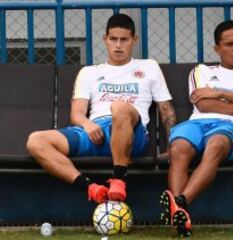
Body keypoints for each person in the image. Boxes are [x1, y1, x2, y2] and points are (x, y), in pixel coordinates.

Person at [27, 14, 176, 204]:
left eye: (124, 39)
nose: (118, 45)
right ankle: (91, 188)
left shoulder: (149, 67)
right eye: (113, 39)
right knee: (36, 141)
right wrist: (87, 124)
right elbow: (77, 113)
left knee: (119, 108)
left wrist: (172, 144)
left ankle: (119, 181)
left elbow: (166, 109)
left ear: (134, 40)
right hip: (96, 133)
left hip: (131, 133)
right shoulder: (89, 72)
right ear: (105, 40)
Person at [160, 20, 233, 237]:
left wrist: (219, 93)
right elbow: (204, 104)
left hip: (230, 128)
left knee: (215, 145)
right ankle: (180, 215)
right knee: (178, 149)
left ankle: (180, 203)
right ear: (217, 48)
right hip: (196, 124)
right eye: (230, 44)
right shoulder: (201, 71)